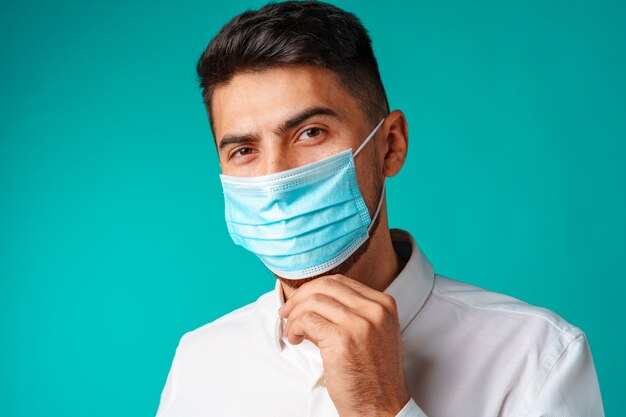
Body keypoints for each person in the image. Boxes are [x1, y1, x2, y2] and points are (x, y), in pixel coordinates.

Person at [155, 2, 604, 416]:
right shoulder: (200, 360)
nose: (276, 181)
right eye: (243, 151)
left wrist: (382, 408)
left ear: (390, 145)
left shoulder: (539, 359)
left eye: (310, 133)